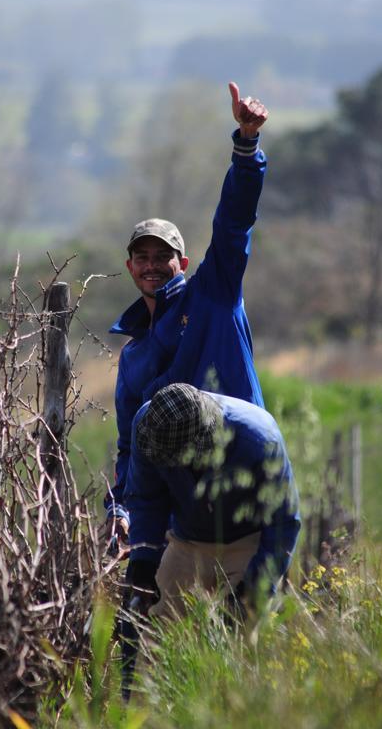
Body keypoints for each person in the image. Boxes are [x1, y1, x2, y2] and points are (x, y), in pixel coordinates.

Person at [105, 83, 269, 548]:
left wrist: (246, 146)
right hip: (183, 518)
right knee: (171, 620)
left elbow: (235, 221)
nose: (153, 264)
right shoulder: (133, 355)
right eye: (143, 256)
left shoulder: (213, 296)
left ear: (183, 262)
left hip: (246, 493)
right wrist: (121, 506)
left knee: (245, 617)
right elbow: (129, 446)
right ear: (130, 267)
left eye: (164, 255)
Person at [124, 383, 301, 618]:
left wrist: (252, 591)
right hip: (187, 544)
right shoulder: (149, 427)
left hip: (247, 544)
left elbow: (283, 524)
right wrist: (143, 562)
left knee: (240, 639)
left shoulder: (259, 441)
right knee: (149, 630)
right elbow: (146, 500)